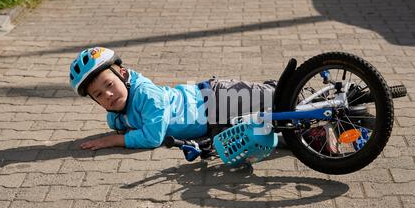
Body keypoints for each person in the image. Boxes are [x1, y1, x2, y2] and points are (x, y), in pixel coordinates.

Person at [69, 47, 277, 151]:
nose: (108, 95)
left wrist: (114, 140)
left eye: (109, 85)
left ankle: (291, 91)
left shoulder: (148, 96)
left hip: (216, 97)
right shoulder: (116, 115)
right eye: (98, 95)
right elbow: (123, 122)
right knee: (275, 128)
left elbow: (152, 138)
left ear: (123, 75)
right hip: (215, 124)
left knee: (276, 98)